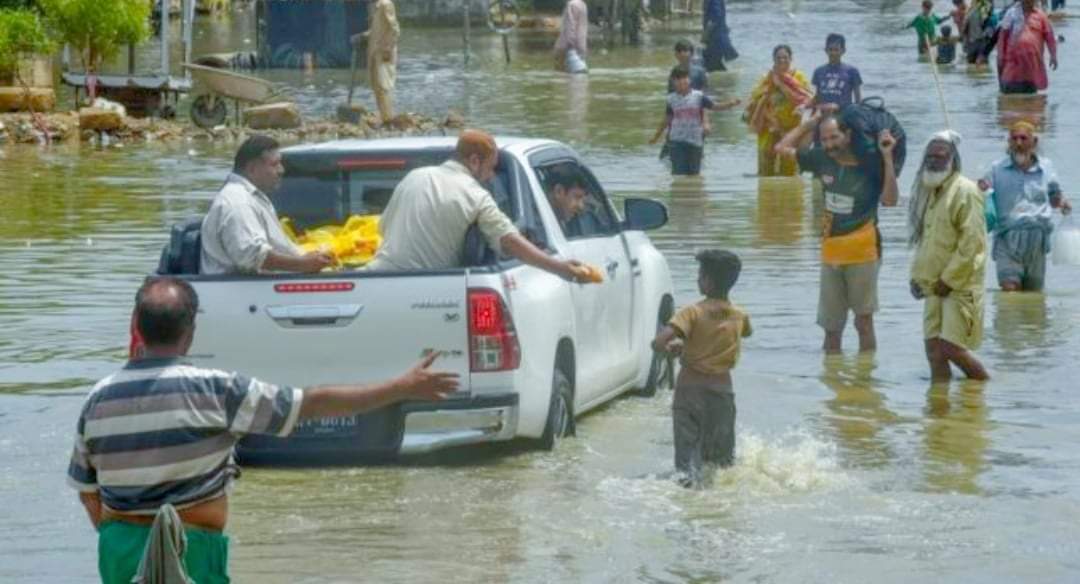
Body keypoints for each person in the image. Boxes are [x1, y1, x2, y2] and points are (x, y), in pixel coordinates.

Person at [68, 277, 459, 583]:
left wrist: (131, 542)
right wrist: (400, 388)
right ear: (190, 331)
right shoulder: (218, 390)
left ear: (137, 327)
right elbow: (311, 404)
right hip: (194, 549)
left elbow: (89, 495)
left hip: (119, 550)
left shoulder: (98, 399)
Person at [366, 129, 591, 281]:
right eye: (491, 167)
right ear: (474, 161)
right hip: (430, 288)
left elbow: (384, 228)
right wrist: (560, 268)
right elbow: (511, 243)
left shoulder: (414, 177)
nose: (491, 176)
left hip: (373, 278)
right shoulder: (476, 195)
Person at [774, 112, 899, 353]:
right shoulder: (821, 158)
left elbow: (891, 201)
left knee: (863, 323)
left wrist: (888, 157)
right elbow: (781, 148)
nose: (830, 144)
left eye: (834, 137)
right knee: (831, 329)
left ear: (848, 135)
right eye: (825, 139)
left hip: (864, 251)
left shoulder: (870, 163)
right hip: (831, 252)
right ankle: (833, 381)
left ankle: (864, 383)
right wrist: (808, 125)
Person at [651, 249, 751, 488]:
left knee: (685, 464)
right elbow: (745, 333)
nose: (697, 279)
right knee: (721, 465)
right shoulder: (740, 315)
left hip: (690, 392)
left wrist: (673, 348)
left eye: (699, 275)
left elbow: (659, 341)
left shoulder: (692, 312)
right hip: (722, 393)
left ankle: (688, 504)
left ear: (707, 281)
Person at [908, 131, 990, 381]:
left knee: (952, 348)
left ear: (953, 159)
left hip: (960, 286)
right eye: (929, 156)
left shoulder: (965, 191)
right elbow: (926, 242)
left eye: (940, 156)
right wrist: (917, 278)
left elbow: (972, 244)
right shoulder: (931, 192)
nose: (933, 161)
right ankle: (939, 409)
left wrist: (949, 280)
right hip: (933, 286)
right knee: (933, 350)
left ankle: (982, 390)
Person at [200, 135, 335, 276]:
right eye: (275, 164)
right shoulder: (237, 202)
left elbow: (274, 247)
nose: (281, 170)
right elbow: (253, 256)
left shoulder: (255, 197)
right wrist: (302, 264)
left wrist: (309, 257)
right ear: (252, 168)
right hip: (243, 293)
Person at [978, 121, 1072, 291]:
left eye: (1023, 138)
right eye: (1014, 139)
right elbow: (981, 190)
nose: (1019, 143)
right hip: (1007, 239)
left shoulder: (1046, 168)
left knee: (1034, 298)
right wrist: (978, 187)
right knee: (1010, 291)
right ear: (1009, 143)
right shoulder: (997, 169)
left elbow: (1053, 198)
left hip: (1037, 241)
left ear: (1034, 142)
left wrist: (1062, 203)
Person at [650, 66, 740, 176]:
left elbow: (714, 106)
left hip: (695, 141)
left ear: (689, 80)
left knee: (694, 174)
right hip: (677, 141)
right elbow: (667, 119)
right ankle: (679, 192)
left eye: (683, 78)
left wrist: (730, 104)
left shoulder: (698, 96)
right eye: (677, 79)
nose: (680, 81)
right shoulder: (671, 99)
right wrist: (656, 136)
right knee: (678, 173)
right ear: (673, 82)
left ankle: (693, 192)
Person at [745, 45, 813, 177]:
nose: (782, 61)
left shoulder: (798, 77)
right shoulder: (767, 77)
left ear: (791, 59)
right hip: (769, 128)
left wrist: (782, 85)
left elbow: (806, 99)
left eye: (785, 57)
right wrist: (772, 121)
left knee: (789, 171)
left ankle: (788, 195)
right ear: (773, 60)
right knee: (765, 172)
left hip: (791, 129)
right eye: (778, 58)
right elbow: (755, 100)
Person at [996, 0, 1058, 94]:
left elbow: (1050, 37)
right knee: (1009, 102)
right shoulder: (1011, 14)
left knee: (1031, 103)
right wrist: (1000, 57)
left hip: (1032, 71)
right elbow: (1002, 38)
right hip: (1012, 69)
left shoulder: (1041, 16)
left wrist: (1053, 56)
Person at [363, 0, 400, 123]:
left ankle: (389, 119)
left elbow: (394, 29)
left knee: (384, 86)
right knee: (376, 86)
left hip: (383, 52)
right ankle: (385, 118)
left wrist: (387, 49)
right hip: (374, 52)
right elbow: (377, 30)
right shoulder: (376, 6)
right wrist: (363, 36)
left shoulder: (386, 5)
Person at [811, 34, 864, 111]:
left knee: (829, 123)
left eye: (836, 50)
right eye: (830, 49)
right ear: (826, 50)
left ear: (843, 51)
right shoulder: (818, 71)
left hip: (843, 113)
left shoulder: (852, 71)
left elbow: (858, 100)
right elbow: (818, 96)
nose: (833, 53)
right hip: (822, 111)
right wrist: (805, 106)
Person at [702, 0, 738, 72]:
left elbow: (715, 19)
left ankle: (727, 80)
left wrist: (705, 35)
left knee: (711, 64)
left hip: (716, 38)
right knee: (713, 64)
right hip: (717, 36)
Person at [554, 0, 588, 72]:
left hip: (569, 47)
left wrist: (567, 45)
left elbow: (570, 27)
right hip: (581, 47)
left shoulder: (571, 4)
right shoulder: (582, 4)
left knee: (563, 75)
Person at [962, 0, 996, 66]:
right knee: (983, 64)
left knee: (971, 64)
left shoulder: (969, 13)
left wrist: (965, 42)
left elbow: (964, 29)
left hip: (972, 42)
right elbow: (989, 29)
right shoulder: (986, 13)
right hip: (983, 42)